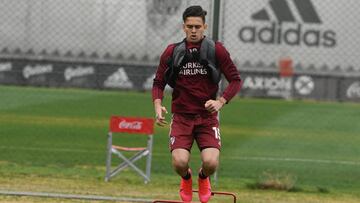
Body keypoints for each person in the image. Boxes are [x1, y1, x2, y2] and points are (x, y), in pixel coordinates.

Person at [152, 5, 241, 203]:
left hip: (207, 119)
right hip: (182, 118)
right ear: (183, 27)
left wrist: (220, 102)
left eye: (197, 26)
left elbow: (235, 80)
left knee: (210, 162)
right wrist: (158, 105)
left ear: (204, 26)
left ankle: (202, 177)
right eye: (190, 26)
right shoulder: (172, 51)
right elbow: (158, 82)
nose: (193, 30)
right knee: (179, 162)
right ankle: (186, 179)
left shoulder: (216, 50)